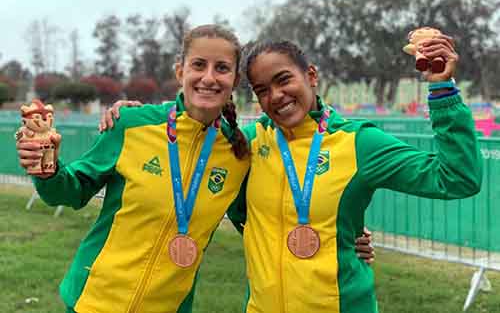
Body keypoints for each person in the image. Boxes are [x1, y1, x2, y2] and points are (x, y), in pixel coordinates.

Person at [225, 38, 482, 313]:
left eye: (284, 79)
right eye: (262, 90)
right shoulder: (250, 143)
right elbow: (239, 212)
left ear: (311, 76)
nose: (275, 95)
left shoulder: (359, 142)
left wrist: (442, 89)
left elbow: (457, 177)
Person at [16, 24, 250, 313]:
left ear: (235, 79)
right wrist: (46, 170)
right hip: (94, 302)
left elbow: (257, 226)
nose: (209, 77)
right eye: (199, 65)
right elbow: (70, 191)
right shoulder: (131, 124)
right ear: (180, 72)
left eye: (222, 68)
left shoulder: (239, 153)